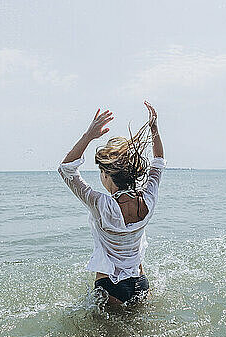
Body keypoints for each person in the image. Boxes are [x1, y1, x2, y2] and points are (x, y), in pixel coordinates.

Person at [58, 101, 165, 306]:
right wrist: (154, 128)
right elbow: (158, 160)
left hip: (110, 286)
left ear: (107, 174)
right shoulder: (148, 199)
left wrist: (89, 135)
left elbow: (66, 169)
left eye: (101, 172)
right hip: (141, 284)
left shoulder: (101, 204)